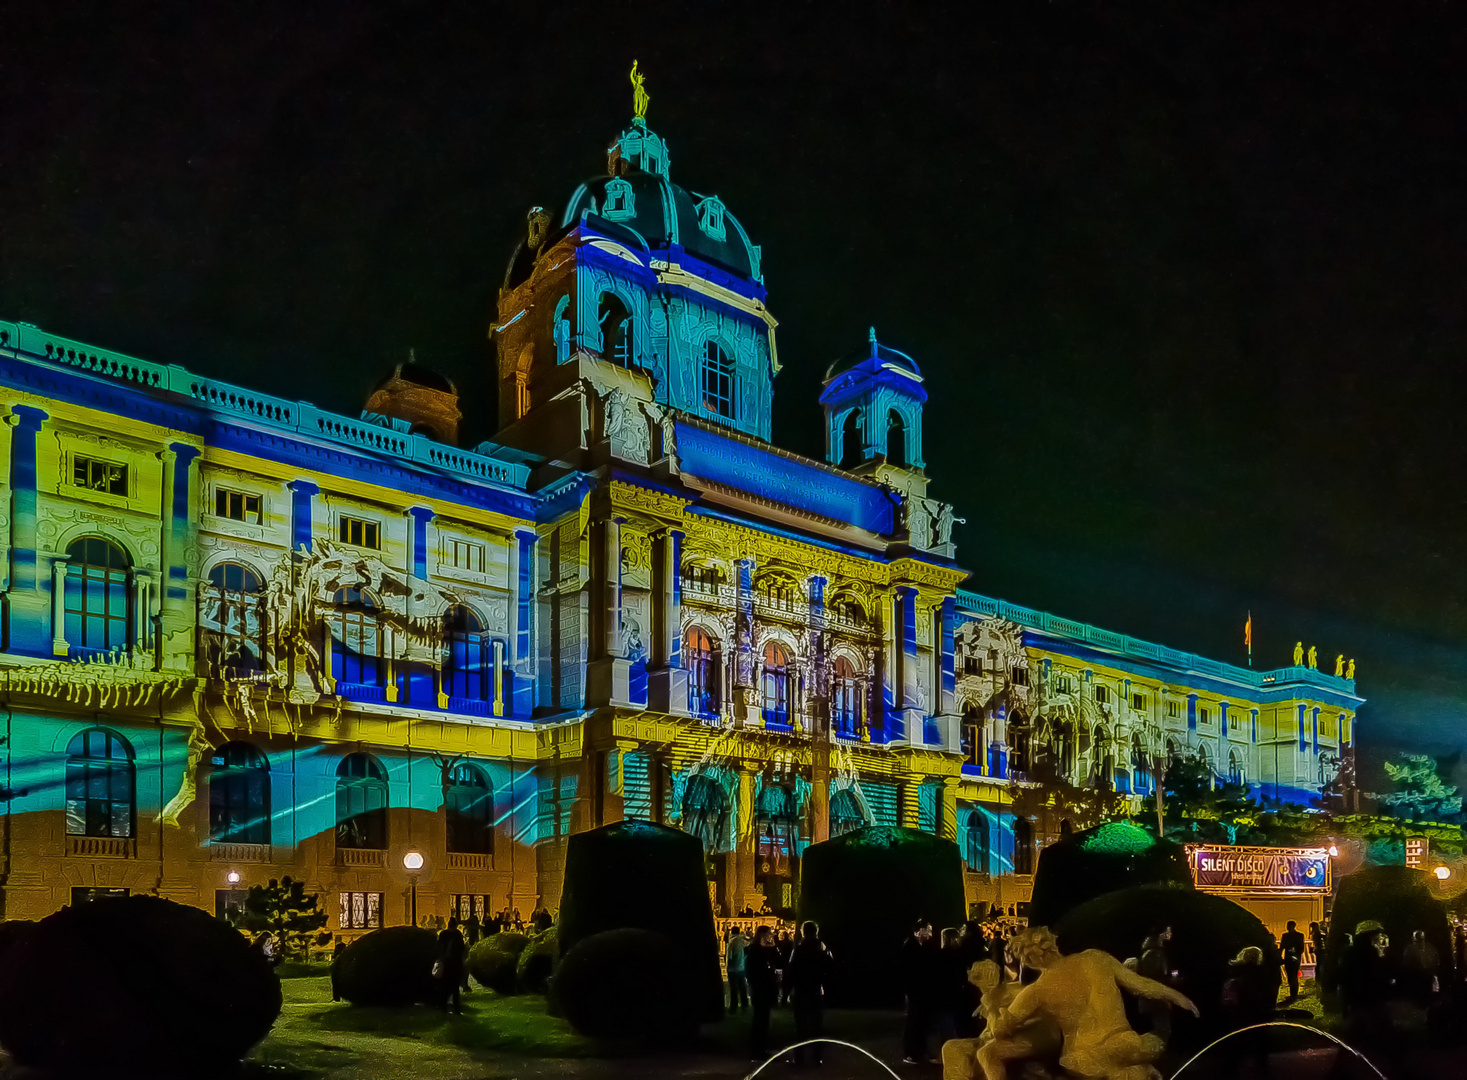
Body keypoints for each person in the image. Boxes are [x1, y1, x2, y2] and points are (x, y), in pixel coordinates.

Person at [976, 927, 1198, 1080]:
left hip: (1084, 1059)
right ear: (1052, 943)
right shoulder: (1096, 958)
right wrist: (1178, 997)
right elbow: (1141, 985)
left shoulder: (1037, 991)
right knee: (1130, 1066)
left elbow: (1000, 1030)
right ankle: (1141, 1070)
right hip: (1126, 1044)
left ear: (1028, 960)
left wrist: (990, 1003)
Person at [1220, 946, 1275, 1076]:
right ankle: (1261, 1072)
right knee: (1260, 1046)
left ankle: (1230, 1072)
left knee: (1237, 1045)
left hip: (1239, 1013)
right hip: (1258, 1014)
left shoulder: (1236, 972)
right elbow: (1268, 994)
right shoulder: (1262, 974)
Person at [785, 921, 834, 1066]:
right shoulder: (822, 948)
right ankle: (817, 1056)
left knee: (801, 1026)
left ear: (803, 932)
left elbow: (791, 971)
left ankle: (799, 1057)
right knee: (817, 1024)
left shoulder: (800, 949)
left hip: (801, 990)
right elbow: (830, 967)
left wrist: (787, 990)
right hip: (816, 990)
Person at [902, 918, 938, 1064]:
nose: (930, 933)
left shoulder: (923, 947)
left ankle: (921, 1051)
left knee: (922, 1022)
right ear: (919, 931)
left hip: (923, 990)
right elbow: (907, 972)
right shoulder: (909, 947)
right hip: (915, 991)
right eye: (928, 930)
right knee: (913, 1021)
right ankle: (910, 1053)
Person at [746, 925, 783, 1062]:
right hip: (760, 990)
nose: (771, 936)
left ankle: (762, 1049)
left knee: (764, 1020)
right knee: (760, 1021)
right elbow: (753, 971)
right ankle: (757, 1051)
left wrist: (773, 947)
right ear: (762, 935)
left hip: (766, 990)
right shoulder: (755, 951)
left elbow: (779, 962)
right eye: (769, 934)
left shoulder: (765, 950)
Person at [1135, 925, 1175, 1040]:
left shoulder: (1154, 952)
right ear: (1161, 934)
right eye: (1168, 931)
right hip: (1155, 999)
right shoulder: (1154, 954)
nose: (1170, 934)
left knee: (1160, 1029)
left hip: (1155, 998)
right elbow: (1153, 977)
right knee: (1161, 1030)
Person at [435, 916, 468, 1016]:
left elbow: (439, 946)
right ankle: (456, 1009)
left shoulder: (443, 934)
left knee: (445, 986)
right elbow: (462, 949)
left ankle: (444, 1008)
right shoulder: (457, 934)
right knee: (455, 988)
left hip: (446, 963)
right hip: (455, 963)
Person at [1400, 929, 1441, 1003]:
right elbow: (1406, 962)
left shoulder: (1430, 948)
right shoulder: (1409, 949)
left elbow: (1435, 961)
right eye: (1417, 938)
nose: (1419, 941)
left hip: (1427, 975)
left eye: (1421, 938)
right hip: (1415, 976)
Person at [1280, 921, 1306, 1000]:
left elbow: (1282, 947)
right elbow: (1301, 948)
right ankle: (1294, 993)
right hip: (1294, 957)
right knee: (1292, 975)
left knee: (1292, 975)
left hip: (1290, 957)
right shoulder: (1299, 935)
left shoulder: (1286, 936)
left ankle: (1293, 994)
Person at [726, 926, 750, 1013]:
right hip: (741, 967)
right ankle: (745, 1005)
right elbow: (748, 945)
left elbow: (730, 957)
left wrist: (728, 967)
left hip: (733, 969)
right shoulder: (741, 940)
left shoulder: (731, 942)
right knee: (742, 987)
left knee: (733, 988)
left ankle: (734, 1006)